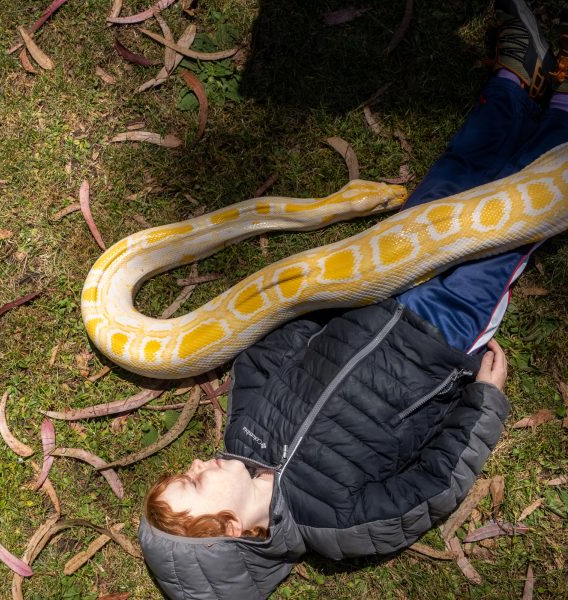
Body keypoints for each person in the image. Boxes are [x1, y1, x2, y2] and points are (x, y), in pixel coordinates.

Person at [137, 1, 568, 598]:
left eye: (183, 472)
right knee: (509, 224)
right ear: (233, 528)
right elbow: (433, 486)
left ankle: (515, 80)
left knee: (455, 176)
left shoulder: (245, 434)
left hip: (374, 291)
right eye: (193, 483)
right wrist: (483, 406)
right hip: (442, 336)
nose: (196, 464)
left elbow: (266, 353)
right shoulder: (337, 526)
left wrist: (326, 297)